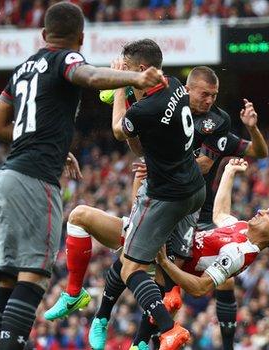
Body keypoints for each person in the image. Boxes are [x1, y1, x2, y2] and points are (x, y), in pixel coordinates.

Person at [0, 3, 167, 350]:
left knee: (5, 282)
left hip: (4, 179)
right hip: (35, 181)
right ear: (81, 38)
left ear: (43, 34)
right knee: (32, 278)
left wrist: (46, 143)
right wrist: (136, 78)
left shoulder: (20, 69)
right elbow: (90, 77)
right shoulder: (67, 59)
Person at [44, 66, 268, 350]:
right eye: (205, 95)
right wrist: (125, 94)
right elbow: (134, 140)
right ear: (187, 90)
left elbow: (206, 163)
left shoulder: (217, 121)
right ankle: (103, 316)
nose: (210, 100)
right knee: (111, 241)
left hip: (190, 209)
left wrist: (251, 127)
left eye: (215, 95)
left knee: (162, 285)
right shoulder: (168, 109)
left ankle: (138, 339)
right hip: (163, 197)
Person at [90, 38, 207, 350]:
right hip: (194, 189)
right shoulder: (175, 85)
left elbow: (118, 128)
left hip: (166, 197)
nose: (123, 73)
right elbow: (138, 144)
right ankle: (115, 326)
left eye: (127, 69)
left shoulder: (146, 109)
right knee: (135, 253)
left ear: (141, 70)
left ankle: (168, 331)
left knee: (132, 268)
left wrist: (118, 86)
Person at [155, 158, 269, 299]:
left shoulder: (239, 254)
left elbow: (200, 288)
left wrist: (165, 264)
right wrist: (229, 172)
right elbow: (220, 214)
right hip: (172, 246)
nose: (261, 211)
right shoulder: (243, 227)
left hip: (168, 261)